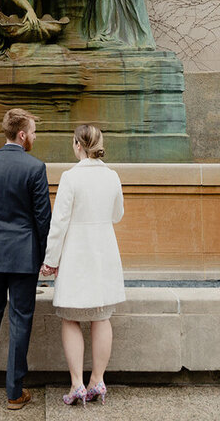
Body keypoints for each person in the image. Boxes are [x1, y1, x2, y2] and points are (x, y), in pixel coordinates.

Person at [0, 109, 52, 411]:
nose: (34, 137)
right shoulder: (35, 168)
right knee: (19, 321)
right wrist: (44, 256)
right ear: (22, 135)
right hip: (23, 256)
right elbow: (43, 219)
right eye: (32, 132)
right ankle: (14, 393)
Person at [40, 124, 125, 406]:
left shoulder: (70, 177)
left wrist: (50, 262)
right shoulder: (112, 176)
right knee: (102, 316)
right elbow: (117, 215)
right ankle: (97, 380)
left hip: (77, 251)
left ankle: (77, 383)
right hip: (104, 250)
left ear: (77, 144)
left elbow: (59, 223)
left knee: (71, 316)